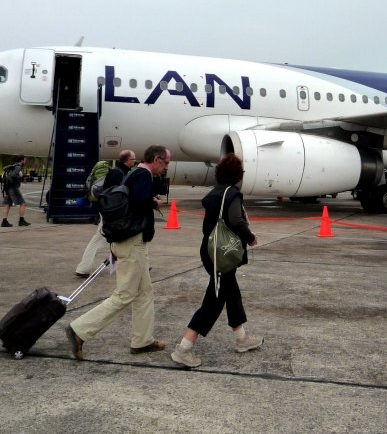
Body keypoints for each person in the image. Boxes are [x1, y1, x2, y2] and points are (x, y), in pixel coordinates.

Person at [66, 145, 171, 360]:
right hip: (132, 243)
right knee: (125, 295)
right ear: (157, 160)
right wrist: (152, 202)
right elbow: (138, 203)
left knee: (145, 292)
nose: (166, 167)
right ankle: (79, 329)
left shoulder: (134, 174)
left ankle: (142, 340)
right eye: (166, 163)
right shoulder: (143, 176)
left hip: (129, 242)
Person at [171, 153, 263, 369]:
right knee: (214, 301)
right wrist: (250, 237)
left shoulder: (215, 193)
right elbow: (237, 220)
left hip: (211, 251)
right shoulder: (232, 194)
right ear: (237, 174)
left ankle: (242, 338)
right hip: (222, 255)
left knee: (231, 293)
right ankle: (183, 348)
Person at [74, 149, 136, 278]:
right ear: (127, 160)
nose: (135, 161)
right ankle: (83, 268)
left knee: (122, 239)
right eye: (133, 159)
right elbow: (112, 195)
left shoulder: (120, 172)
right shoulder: (117, 174)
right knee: (99, 239)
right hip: (111, 213)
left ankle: (133, 265)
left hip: (111, 212)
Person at [1, 155, 30, 227]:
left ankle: (4, 221)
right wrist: (20, 176)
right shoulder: (18, 167)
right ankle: (21, 221)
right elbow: (13, 175)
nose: (25, 162)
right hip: (13, 188)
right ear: (21, 160)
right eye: (25, 160)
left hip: (7, 188)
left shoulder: (13, 166)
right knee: (23, 203)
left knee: (7, 204)